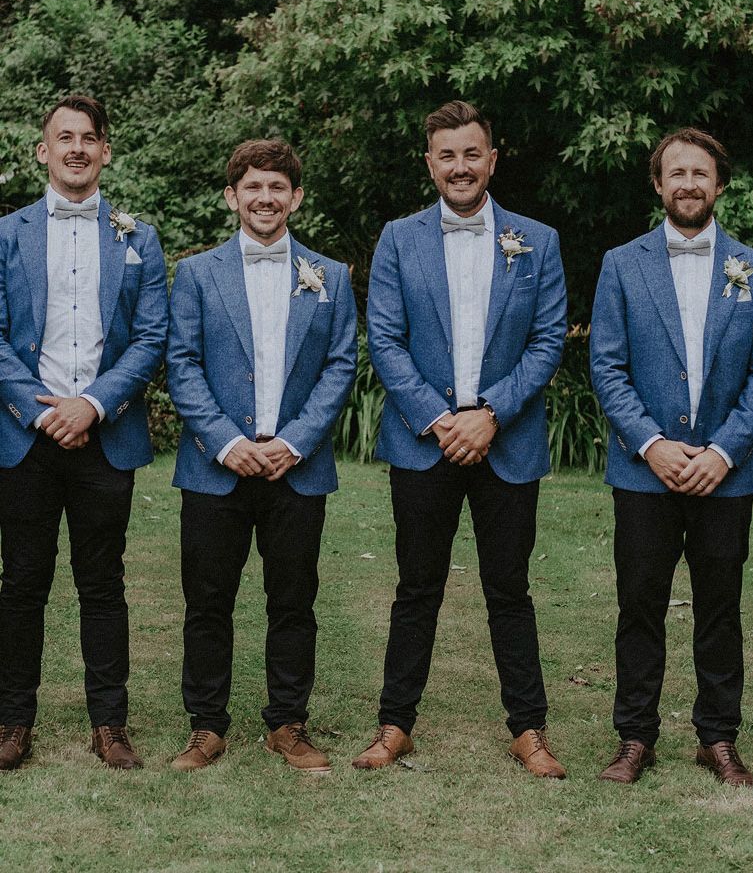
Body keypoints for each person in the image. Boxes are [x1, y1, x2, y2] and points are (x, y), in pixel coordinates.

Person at [352, 100, 567, 777]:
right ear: (430, 164)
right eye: (447, 155)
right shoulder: (397, 238)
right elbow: (384, 337)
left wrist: (492, 413)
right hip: (425, 442)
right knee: (417, 587)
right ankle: (395, 726)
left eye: (472, 154)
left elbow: (547, 339)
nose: (460, 167)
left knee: (510, 588)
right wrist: (441, 419)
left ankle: (529, 731)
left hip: (506, 441)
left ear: (493, 160)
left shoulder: (537, 240)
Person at [589, 127, 753, 785]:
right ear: (658, 183)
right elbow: (608, 368)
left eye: (701, 173)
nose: (688, 184)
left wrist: (724, 452)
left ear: (720, 184)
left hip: (725, 476)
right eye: (676, 172)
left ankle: (718, 737)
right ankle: (635, 737)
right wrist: (653, 444)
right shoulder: (623, 263)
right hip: (645, 472)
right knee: (639, 603)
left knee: (720, 606)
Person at [166, 139, 356, 774]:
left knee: (294, 601)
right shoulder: (196, 274)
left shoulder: (330, 276)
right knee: (208, 601)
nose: (265, 198)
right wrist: (227, 442)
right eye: (253, 187)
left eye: (278, 188)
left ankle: (287, 724)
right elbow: (183, 363)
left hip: (296, 469)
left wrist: (294, 442)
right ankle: (206, 727)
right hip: (214, 467)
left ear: (296, 198)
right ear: (232, 197)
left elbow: (339, 365)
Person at [0, 94, 168, 771]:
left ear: (105, 152)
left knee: (103, 583)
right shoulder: (7, 233)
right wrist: (43, 410)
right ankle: (12, 721)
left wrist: (92, 404)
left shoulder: (138, 237)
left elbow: (151, 336)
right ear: (43, 151)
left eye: (88, 138)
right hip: (25, 437)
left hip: (105, 435)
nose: (76, 148)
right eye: (63, 138)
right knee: (21, 584)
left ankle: (110, 724)